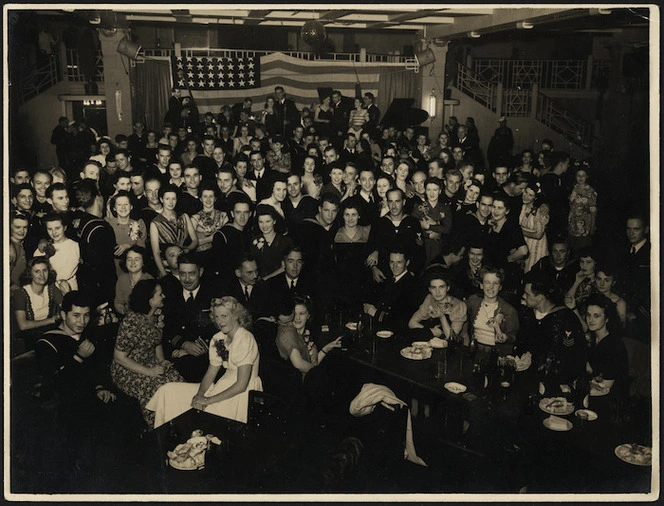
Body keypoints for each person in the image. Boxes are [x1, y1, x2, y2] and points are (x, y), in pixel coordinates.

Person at [147, 296, 263, 427]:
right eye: (216, 317)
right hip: (221, 386)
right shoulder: (218, 338)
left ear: (236, 316)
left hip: (241, 394)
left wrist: (208, 400)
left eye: (224, 316)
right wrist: (199, 395)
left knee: (204, 414)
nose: (220, 322)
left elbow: (241, 385)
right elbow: (211, 372)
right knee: (168, 391)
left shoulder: (245, 339)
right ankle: (168, 440)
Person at [111, 279, 184, 427]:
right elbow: (119, 358)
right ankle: (159, 429)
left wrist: (162, 360)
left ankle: (179, 423)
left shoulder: (157, 316)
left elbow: (156, 343)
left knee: (177, 381)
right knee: (155, 388)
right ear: (150, 300)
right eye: (160, 294)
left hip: (151, 363)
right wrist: (149, 372)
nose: (163, 296)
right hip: (127, 368)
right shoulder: (131, 321)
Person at [516, 272, 586, 390]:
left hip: (557, 384)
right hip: (527, 378)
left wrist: (533, 360)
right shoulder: (527, 313)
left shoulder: (566, 318)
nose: (523, 296)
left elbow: (571, 356)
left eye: (527, 294)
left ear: (540, 298)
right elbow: (522, 342)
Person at [162, 254, 218, 382]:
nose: (187, 279)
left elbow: (219, 329)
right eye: (182, 274)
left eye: (192, 274)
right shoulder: (171, 296)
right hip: (179, 352)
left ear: (201, 272)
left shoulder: (213, 295)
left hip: (208, 354)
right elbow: (167, 329)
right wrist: (184, 344)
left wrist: (197, 348)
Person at [276, 296, 342, 378]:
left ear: (308, 316)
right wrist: (320, 374)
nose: (297, 318)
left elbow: (311, 364)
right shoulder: (287, 333)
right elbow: (299, 364)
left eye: (301, 313)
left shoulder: (305, 335)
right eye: (295, 313)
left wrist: (326, 349)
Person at [13, 257, 64, 352]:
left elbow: (66, 308)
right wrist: (52, 319)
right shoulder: (20, 294)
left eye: (44, 270)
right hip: (29, 335)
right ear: (30, 273)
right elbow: (23, 325)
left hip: (50, 330)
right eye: (37, 271)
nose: (42, 275)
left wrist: (67, 292)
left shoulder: (52, 289)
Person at [465, 266, 519, 353]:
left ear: (500, 287)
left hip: (496, 354)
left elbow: (514, 337)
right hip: (474, 351)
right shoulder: (473, 303)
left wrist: (505, 337)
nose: (491, 287)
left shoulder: (509, 311)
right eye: (487, 282)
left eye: (495, 283)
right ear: (481, 285)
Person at [584, 293, 628, 399]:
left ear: (607, 319)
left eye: (596, 316)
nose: (590, 320)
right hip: (592, 392)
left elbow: (605, 388)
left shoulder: (614, 345)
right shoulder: (592, 339)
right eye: (588, 315)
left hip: (611, 399)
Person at [363, 249, 418, 333]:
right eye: (392, 262)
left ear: (407, 263)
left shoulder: (411, 285)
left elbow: (402, 321)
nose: (394, 266)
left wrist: (375, 313)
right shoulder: (390, 280)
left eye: (399, 262)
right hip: (383, 330)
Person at [149, 184, 198, 278]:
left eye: (173, 199)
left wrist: (187, 249)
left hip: (185, 264)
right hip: (167, 267)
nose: (171, 202)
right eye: (167, 199)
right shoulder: (155, 223)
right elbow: (156, 253)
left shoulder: (184, 216)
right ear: (161, 199)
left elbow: (195, 240)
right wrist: (164, 275)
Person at [408, 268, 467, 342]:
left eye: (441, 287)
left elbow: (451, 337)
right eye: (433, 287)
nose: (437, 292)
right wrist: (431, 331)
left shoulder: (458, 305)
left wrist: (442, 317)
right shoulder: (430, 299)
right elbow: (412, 323)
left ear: (448, 288)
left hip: (456, 346)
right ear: (429, 289)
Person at [334, 202, 372, 312]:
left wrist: (376, 252)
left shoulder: (367, 231)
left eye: (354, 214)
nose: (350, 218)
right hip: (342, 283)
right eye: (347, 214)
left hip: (362, 281)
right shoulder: (336, 233)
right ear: (342, 216)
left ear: (359, 215)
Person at [34, 213, 80, 292]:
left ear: (64, 227)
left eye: (57, 228)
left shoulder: (76, 246)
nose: (54, 232)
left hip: (70, 288)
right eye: (50, 229)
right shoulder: (42, 249)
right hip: (48, 290)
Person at [106, 191, 147, 278]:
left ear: (131, 206)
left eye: (126, 204)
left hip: (134, 268)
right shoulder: (107, 224)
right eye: (119, 205)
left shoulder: (139, 224)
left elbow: (142, 248)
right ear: (114, 208)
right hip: (112, 269)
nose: (123, 207)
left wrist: (128, 246)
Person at [250, 206, 294, 280]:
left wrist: (265, 279)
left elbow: (286, 267)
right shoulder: (254, 240)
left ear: (274, 221)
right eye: (261, 222)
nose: (264, 226)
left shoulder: (285, 241)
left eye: (268, 221)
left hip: (280, 281)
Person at [191, 180, 227, 270]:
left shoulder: (223, 215)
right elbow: (193, 242)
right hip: (201, 259)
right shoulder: (194, 218)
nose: (208, 199)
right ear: (200, 198)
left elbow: (226, 239)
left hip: (220, 257)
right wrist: (211, 238)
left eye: (211, 196)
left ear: (215, 198)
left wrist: (203, 238)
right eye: (205, 196)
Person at [518, 180, 550, 273]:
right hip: (525, 244)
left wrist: (520, 232)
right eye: (525, 192)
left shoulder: (540, 211)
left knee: (533, 272)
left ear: (535, 198)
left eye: (530, 195)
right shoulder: (523, 206)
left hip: (536, 246)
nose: (526, 196)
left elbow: (538, 235)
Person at [114, 246, 154, 316]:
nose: (132, 262)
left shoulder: (149, 280)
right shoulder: (122, 279)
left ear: (143, 262)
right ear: (125, 263)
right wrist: (124, 311)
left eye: (137, 259)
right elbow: (118, 303)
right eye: (129, 259)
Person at [567, 164, 598, 252]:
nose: (580, 178)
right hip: (573, 224)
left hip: (585, 226)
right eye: (578, 175)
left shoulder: (591, 191)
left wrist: (592, 229)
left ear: (587, 176)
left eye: (583, 175)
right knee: (572, 249)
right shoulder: (573, 188)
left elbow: (593, 211)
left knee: (582, 250)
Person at [593, 263, 628, 329]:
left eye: (607, 280)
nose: (602, 283)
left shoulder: (619, 303)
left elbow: (621, 327)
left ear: (613, 282)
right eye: (599, 279)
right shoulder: (591, 296)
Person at [564, 247, 598, 313]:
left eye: (588, 262)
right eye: (582, 261)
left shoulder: (599, 281)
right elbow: (567, 301)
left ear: (595, 264)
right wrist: (577, 281)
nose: (584, 265)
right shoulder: (579, 279)